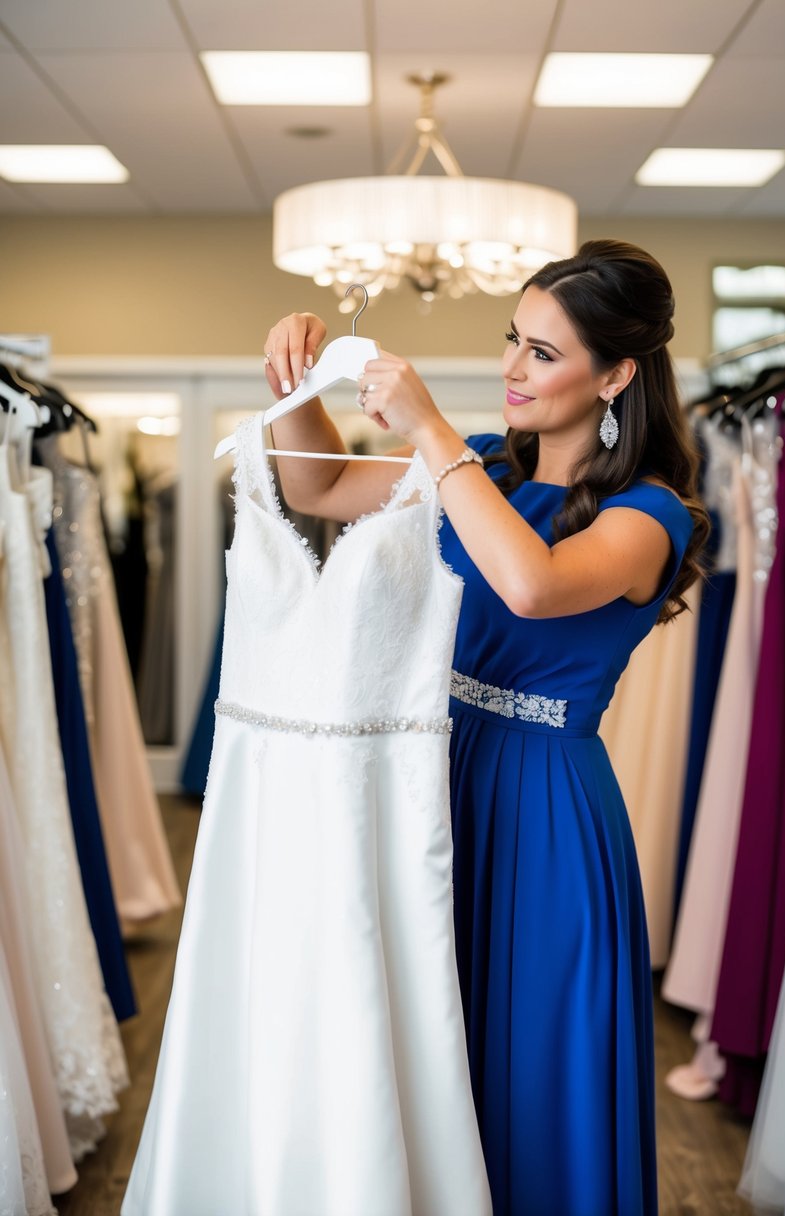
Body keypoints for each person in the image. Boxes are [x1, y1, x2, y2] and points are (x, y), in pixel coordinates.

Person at [264, 239, 708, 1216]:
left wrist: (430, 432)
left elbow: (530, 582)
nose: (511, 367)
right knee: (435, 1043)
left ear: (617, 373)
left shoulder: (651, 514)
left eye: (543, 353)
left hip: (547, 806)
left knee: (533, 1063)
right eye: (512, 339)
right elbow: (317, 489)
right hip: (438, 775)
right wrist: (295, 383)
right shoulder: (487, 468)